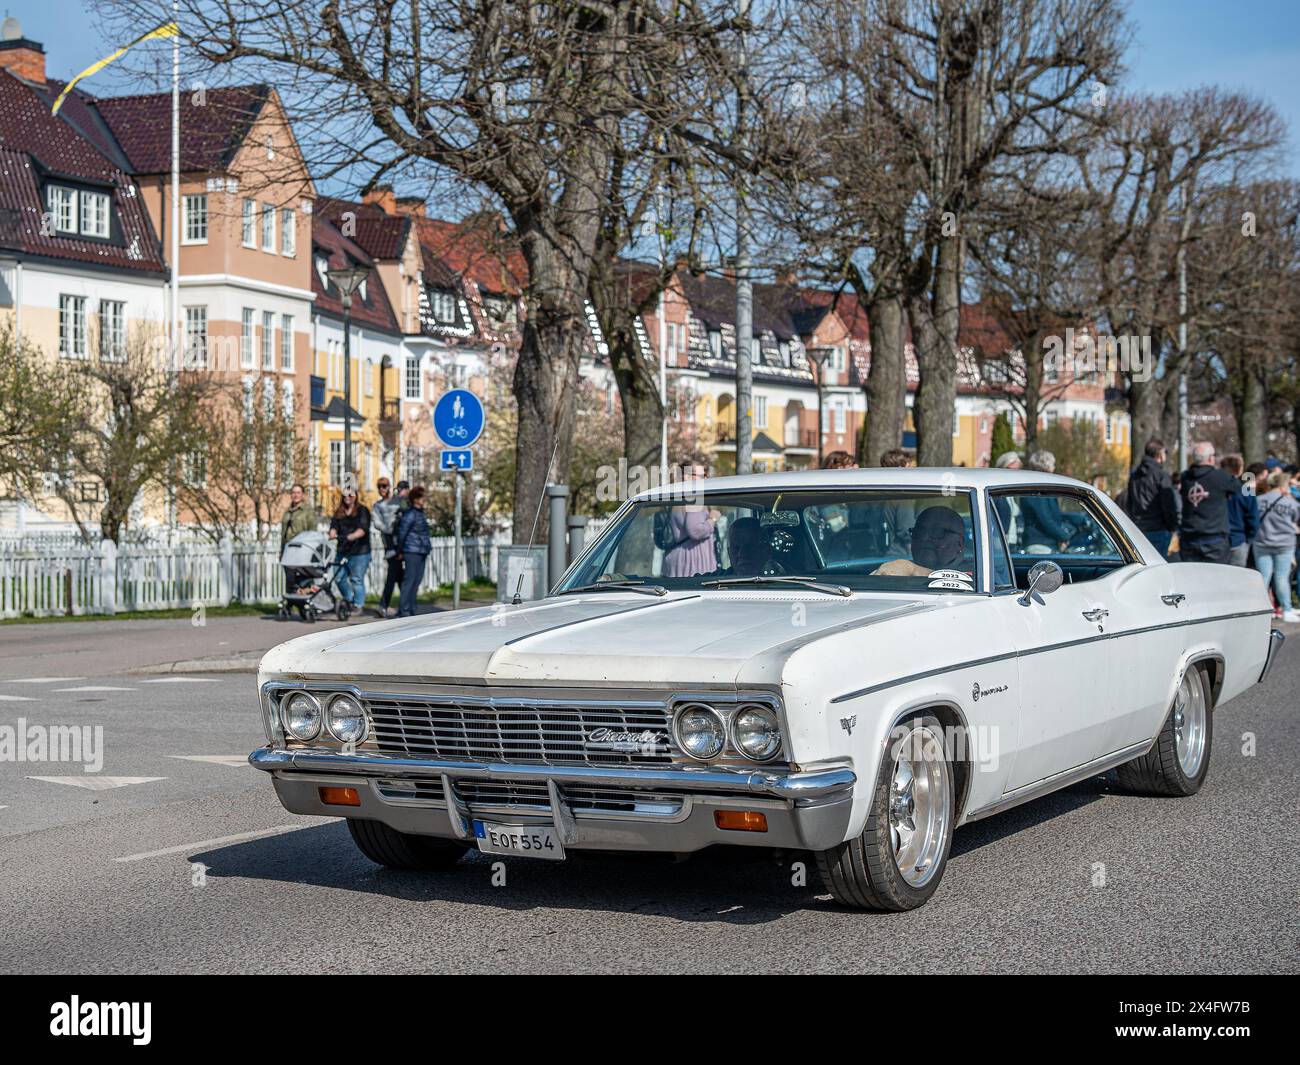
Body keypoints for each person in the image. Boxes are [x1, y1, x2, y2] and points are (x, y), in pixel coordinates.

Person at [1176, 441, 1240, 564]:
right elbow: (1239, 488)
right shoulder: (1220, 477)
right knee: (1215, 579)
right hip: (1215, 540)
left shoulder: (1185, 478)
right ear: (1211, 458)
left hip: (1189, 539)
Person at [1252, 470, 1300, 622]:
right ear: (1283, 485)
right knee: (1281, 577)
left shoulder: (1258, 500)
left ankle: (1260, 610)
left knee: (1263, 578)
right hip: (1284, 544)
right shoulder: (1291, 503)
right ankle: (1286, 609)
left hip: (1262, 542)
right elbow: (1296, 519)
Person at [1122, 438, 1179, 559]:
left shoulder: (1135, 475)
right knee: (1159, 565)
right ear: (1159, 454)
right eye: (1165, 453)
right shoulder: (1160, 475)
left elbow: (1130, 503)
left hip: (1138, 529)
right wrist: (1172, 526)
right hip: (1158, 528)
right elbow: (1168, 504)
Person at [871, 505, 967, 577]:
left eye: (938, 533)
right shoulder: (895, 571)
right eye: (920, 532)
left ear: (960, 543)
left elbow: (956, 583)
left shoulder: (978, 575)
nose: (925, 539)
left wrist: (913, 570)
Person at [1020, 450, 1075, 553]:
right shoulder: (1037, 488)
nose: (1054, 468)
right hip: (1040, 544)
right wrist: (1064, 536)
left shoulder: (1039, 486)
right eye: (1053, 464)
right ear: (1046, 465)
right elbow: (1045, 519)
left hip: (1044, 543)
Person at [328, 486, 372, 613]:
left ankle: (358, 605)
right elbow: (333, 526)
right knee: (339, 577)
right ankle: (349, 600)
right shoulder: (339, 512)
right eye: (345, 495)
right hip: (342, 550)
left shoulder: (363, 511)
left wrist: (352, 536)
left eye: (350, 495)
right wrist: (332, 533)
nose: (347, 498)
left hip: (359, 551)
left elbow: (363, 529)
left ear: (355, 496)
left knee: (356, 579)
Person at [372, 478, 409, 617]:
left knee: (396, 575)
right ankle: (405, 604)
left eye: (385, 486)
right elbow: (377, 522)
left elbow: (406, 516)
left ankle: (400, 605)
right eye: (380, 487)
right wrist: (390, 529)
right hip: (389, 543)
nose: (383, 489)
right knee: (395, 574)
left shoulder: (399, 501)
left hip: (402, 542)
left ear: (389, 487)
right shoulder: (377, 506)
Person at [394, 485, 432, 617]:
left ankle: (411, 607)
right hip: (412, 551)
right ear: (415, 499)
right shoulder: (410, 514)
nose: (424, 499)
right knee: (409, 581)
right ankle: (404, 610)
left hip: (421, 551)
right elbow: (402, 533)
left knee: (416, 581)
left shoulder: (420, 513)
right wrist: (400, 550)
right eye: (421, 497)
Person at [1219, 453, 1258, 567]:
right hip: (1238, 539)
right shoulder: (1246, 490)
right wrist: (1249, 538)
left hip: (1218, 540)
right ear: (1240, 470)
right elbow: (1253, 517)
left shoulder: (1214, 488)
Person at [662, 506, 719, 578]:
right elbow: (695, 531)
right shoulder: (695, 502)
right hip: (692, 561)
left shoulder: (678, 502)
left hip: (680, 556)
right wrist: (713, 519)